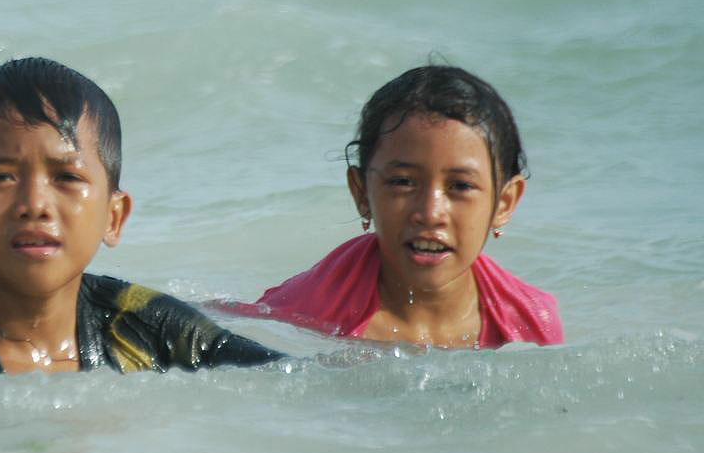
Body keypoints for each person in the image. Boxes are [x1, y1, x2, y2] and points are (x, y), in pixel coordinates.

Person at [0, 57, 284, 380]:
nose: (34, 203)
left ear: (113, 217)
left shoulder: (138, 320)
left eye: (67, 177)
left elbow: (283, 378)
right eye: (1, 177)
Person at [224, 64, 563, 349]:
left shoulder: (532, 326)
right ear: (361, 193)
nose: (430, 213)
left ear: (504, 203)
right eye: (402, 182)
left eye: (460, 186)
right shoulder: (300, 318)